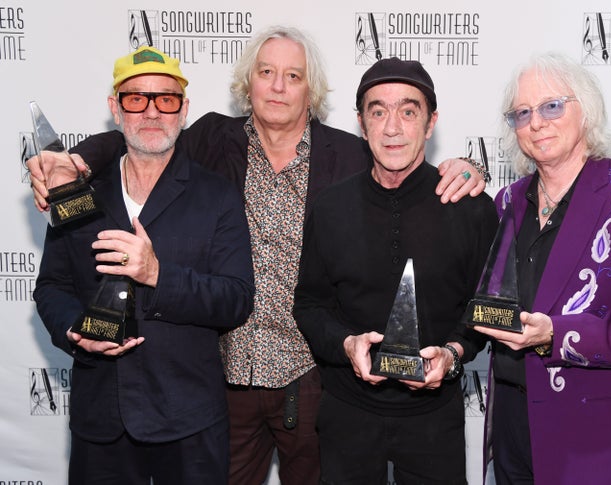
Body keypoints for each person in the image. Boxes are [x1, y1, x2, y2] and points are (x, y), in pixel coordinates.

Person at [26, 27, 488, 485]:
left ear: (312, 91)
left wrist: (467, 167)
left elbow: (405, 162)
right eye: (266, 72)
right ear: (249, 83)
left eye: (293, 75)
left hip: (314, 376)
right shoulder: (210, 137)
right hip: (228, 378)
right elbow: (145, 131)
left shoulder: (350, 153)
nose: (279, 86)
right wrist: (77, 160)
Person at [33, 46, 255, 483]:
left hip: (189, 421)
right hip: (100, 419)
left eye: (166, 99)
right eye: (136, 98)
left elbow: (236, 299)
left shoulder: (217, 196)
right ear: (115, 109)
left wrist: (157, 275)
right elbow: (51, 285)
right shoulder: (79, 194)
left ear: (183, 110)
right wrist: (76, 332)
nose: (151, 112)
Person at [470, 52, 611, 484]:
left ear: (586, 110)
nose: (536, 122)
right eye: (521, 113)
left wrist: (556, 333)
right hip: (513, 424)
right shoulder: (507, 202)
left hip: (594, 433)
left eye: (552, 106)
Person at [292, 57, 499, 484]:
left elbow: (486, 307)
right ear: (361, 123)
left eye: (408, 111)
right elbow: (309, 304)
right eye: (378, 111)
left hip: (434, 419)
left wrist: (454, 354)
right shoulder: (330, 207)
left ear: (430, 122)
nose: (392, 127)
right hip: (347, 414)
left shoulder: (470, 207)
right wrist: (346, 343)